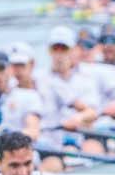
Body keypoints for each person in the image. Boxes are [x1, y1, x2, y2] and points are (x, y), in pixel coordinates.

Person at [41, 26, 104, 164]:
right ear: (49, 51)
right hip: (48, 139)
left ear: (74, 50)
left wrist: (78, 118)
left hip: (79, 136)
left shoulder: (86, 78)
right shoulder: (39, 78)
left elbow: (92, 113)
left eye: (64, 49)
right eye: (55, 49)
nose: (59, 54)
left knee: (81, 151)